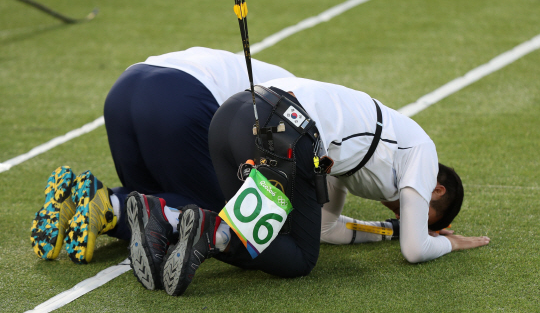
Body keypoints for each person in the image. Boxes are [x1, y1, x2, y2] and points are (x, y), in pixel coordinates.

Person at [147, 76, 490, 296]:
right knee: (299, 259)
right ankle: (209, 232)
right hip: (283, 126)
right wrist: (449, 244)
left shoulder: (354, 159)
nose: (410, 216)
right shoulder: (422, 151)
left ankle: (168, 223)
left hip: (233, 116)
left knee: (251, 228)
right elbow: (416, 251)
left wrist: (392, 229)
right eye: (422, 218)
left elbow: (328, 227)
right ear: (436, 190)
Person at [29, 47, 295, 266]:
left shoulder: (283, 82)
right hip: (178, 101)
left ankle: (80, 201)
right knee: (223, 220)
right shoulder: (298, 106)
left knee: (149, 194)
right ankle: (112, 206)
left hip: (123, 91)